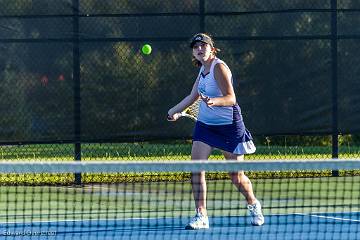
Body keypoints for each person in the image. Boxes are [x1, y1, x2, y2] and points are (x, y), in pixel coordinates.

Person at [167, 33, 264, 230]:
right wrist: (174, 110)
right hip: (205, 126)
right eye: (196, 47)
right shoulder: (202, 70)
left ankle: (253, 204)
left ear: (212, 49)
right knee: (196, 168)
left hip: (229, 127)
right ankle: (201, 215)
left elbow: (231, 98)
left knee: (236, 176)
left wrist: (214, 101)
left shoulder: (219, 67)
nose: (199, 49)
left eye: (203, 45)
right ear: (193, 52)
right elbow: (192, 96)